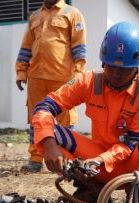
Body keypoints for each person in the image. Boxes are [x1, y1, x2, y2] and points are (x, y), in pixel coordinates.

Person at [31, 22, 139, 203]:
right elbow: (44, 107)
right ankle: (91, 189)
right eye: (111, 67)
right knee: (46, 133)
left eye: (124, 68)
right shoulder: (88, 81)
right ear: (103, 60)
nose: (116, 74)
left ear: (137, 66)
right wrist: (49, 146)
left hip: (132, 164)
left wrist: (101, 160)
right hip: (95, 165)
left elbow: (132, 144)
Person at [15, 0, 86, 172]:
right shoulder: (34, 16)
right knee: (36, 119)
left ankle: (67, 160)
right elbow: (26, 46)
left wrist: (77, 73)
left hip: (62, 78)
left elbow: (79, 46)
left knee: (65, 120)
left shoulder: (72, 13)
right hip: (36, 77)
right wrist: (21, 72)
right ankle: (35, 159)